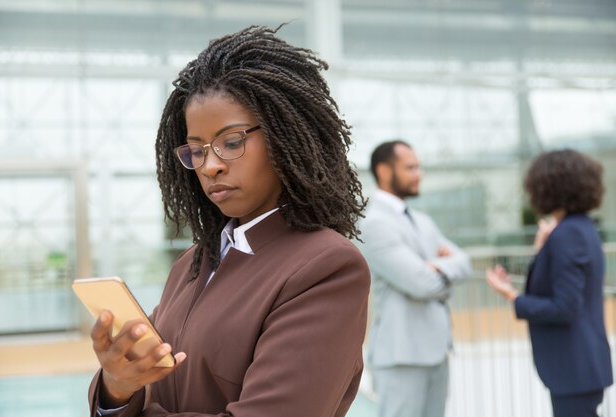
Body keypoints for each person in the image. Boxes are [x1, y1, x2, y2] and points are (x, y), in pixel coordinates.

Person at [86, 25, 371, 417]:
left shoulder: (325, 266)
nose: (211, 166)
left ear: (284, 136)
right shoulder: (191, 263)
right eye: (196, 150)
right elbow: (143, 388)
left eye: (232, 142)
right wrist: (117, 386)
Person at [486, 149, 613, 417]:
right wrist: (543, 248)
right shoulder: (580, 228)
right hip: (581, 366)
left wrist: (511, 295)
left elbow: (565, 307)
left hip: (574, 366)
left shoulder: (567, 235)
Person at [358, 141, 472, 417]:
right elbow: (422, 284)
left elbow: (465, 263)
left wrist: (435, 267)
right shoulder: (375, 224)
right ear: (384, 171)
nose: (419, 173)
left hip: (436, 352)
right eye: (411, 167)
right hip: (401, 357)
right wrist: (442, 271)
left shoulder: (423, 221)